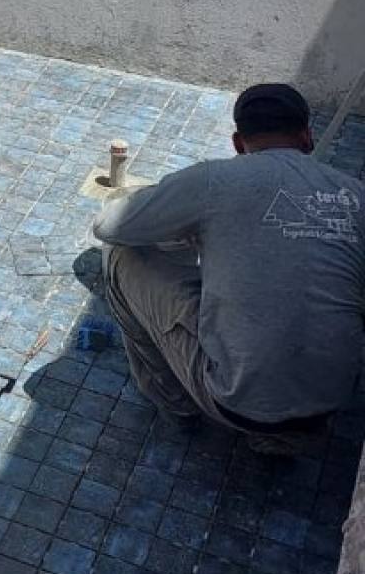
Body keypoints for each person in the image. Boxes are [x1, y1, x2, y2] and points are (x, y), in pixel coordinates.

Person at [93, 83, 365, 453]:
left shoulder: (215, 180)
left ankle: (178, 407)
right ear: (307, 136)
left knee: (119, 255)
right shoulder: (355, 195)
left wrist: (189, 228)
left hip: (239, 401)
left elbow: (109, 226)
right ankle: (287, 435)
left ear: (238, 143)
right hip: (332, 399)